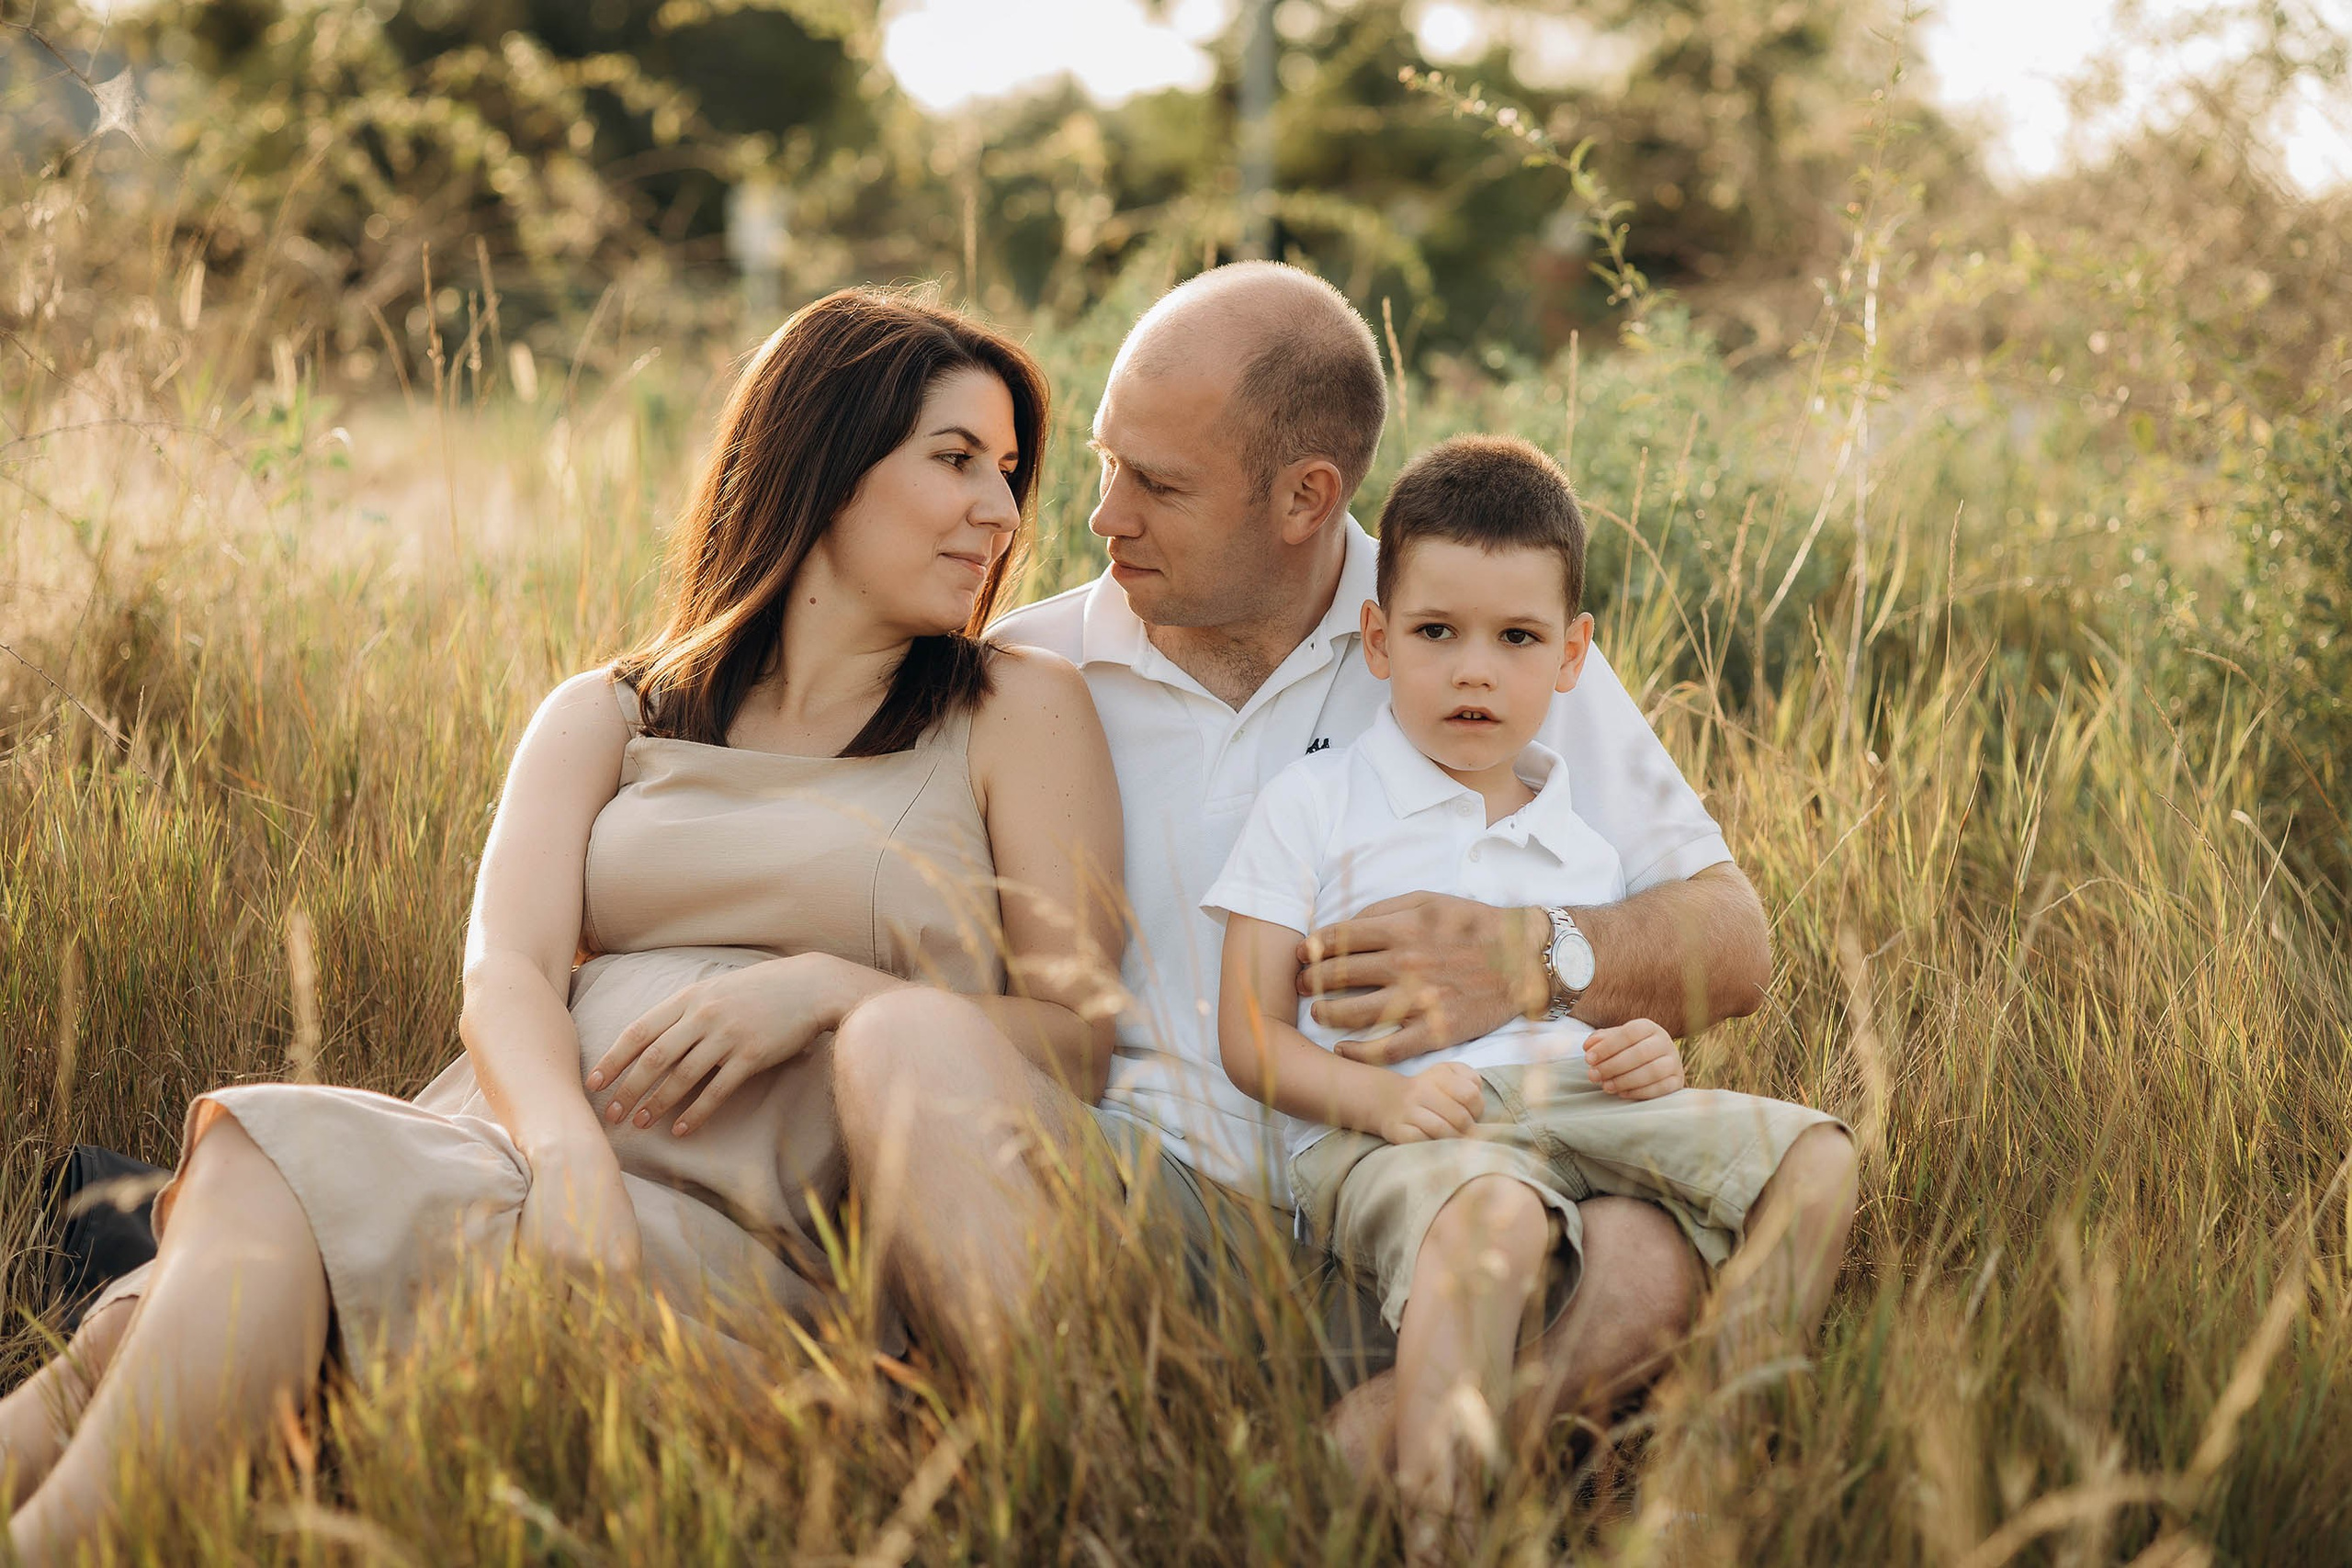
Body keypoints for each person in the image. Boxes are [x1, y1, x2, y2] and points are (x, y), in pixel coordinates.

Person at [0, 288, 1125, 1563]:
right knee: (137, 1317)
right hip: (526, 1158)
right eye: (956, 459)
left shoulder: (1011, 708)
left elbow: (1078, 1028)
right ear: (824, 462)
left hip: (741, 1224)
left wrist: (824, 987)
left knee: (200, 1255)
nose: (1001, 509)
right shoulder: (613, 710)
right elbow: (509, 970)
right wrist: (570, 1157)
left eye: (1012, 472)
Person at [830, 261, 1860, 1472]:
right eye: (1109, 462)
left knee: (1639, 1255)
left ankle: (1354, 1462)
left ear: (1305, 497)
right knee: (900, 1049)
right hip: (1150, 1219)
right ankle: (1115, 1472)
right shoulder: (1025, 668)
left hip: (1437, 1198)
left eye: (1156, 483)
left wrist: (1533, 954)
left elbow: (1733, 937)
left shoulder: (1468, 639)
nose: (1103, 515)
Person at [1206, 434, 1849, 1545]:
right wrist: (1382, 1103)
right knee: (1492, 1214)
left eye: (1515, 639)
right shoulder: (1313, 806)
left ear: (1569, 655)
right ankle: (1437, 1524)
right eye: (1435, 633)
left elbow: (1603, 1005)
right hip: (1397, 1134)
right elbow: (1248, 1035)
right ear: (1377, 639)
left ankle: (1707, 1474)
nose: (1473, 670)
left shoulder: (1581, 838)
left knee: (1820, 1153)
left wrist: (1649, 1054)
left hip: (1571, 1109)